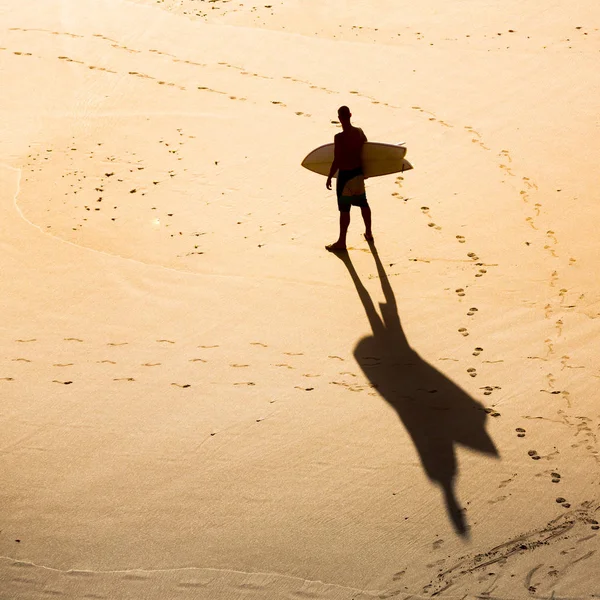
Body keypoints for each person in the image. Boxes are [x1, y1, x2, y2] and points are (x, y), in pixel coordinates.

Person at [325, 106, 373, 252]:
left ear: (339, 118)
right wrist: (367, 171)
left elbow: (337, 160)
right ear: (350, 115)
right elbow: (367, 150)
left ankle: (341, 242)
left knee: (345, 210)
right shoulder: (359, 132)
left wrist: (329, 177)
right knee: (363, 204)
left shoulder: (339, 138)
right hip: (358, 174)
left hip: (345, 178)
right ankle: (369, 232)